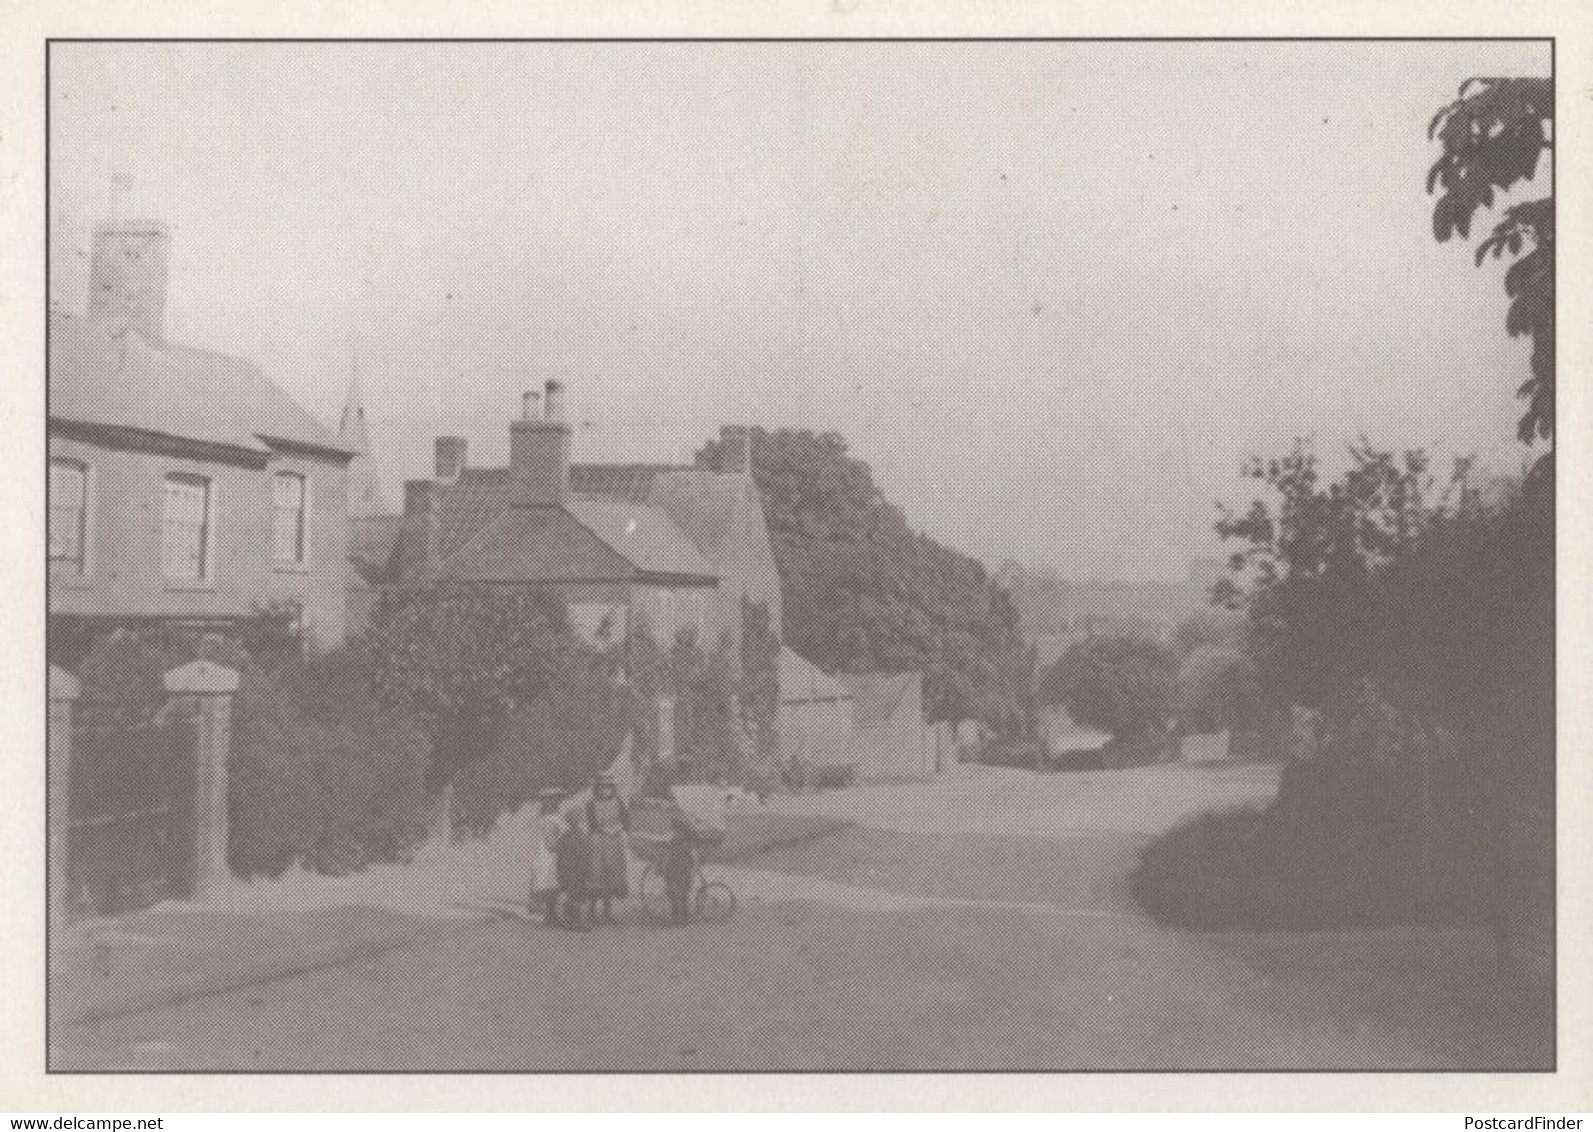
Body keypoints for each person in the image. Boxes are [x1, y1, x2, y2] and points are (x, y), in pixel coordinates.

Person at [585, 774, 631, 925]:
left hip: (614, 843)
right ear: (597, 788)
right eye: (602, 787)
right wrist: (604, 830)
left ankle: (607, 911)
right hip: (598, 843)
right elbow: (592, 824)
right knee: (596, 875)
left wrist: (619, 828)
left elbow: (626, 820)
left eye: (608, 787)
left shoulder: (618, 802)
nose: (605, 790)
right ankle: (591, 910)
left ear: (613, 788)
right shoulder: (591, 804)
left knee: (611, 876)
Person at [527, 788, 565, 926]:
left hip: (551, 856)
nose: (555, 802)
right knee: (551, 886)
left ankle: (552, 914)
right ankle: (550, 915)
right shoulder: (548, 820)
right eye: (551, 799)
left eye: (556, 799)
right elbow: (550, 843)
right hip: (550, 857)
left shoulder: (555, 817)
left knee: (553, 887)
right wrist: (563, 843)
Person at [555, 810, 595, 931]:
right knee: (571, 895)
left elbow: (588, 853)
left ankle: (580, 921)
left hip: (580, 869)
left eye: (577, 818)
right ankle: (570, 921)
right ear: (568, 821)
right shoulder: (565, 836)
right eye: (572, 819)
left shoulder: (583, 835)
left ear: (580, 820)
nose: (574, 821)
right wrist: (560, 869)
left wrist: (588, 868)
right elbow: (560, 853)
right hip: (568, 869)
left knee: (580, 896)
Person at [663, 816, 699, 925]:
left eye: (679, 830)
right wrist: (665, 870)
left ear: (683, 831)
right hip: (673, 872)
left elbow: (694, 856)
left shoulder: (687, 844)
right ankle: (676, 918)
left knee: (683, 896)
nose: (677, 833)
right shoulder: (673, 841)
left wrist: (694, 870)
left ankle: (684, 918)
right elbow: (667, 857)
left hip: (683, 872)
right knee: (674, 896)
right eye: (675, 830)